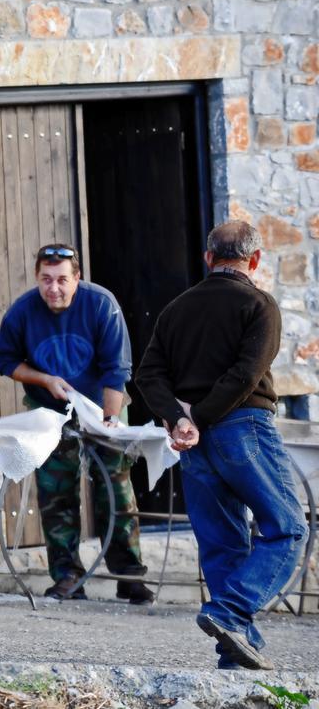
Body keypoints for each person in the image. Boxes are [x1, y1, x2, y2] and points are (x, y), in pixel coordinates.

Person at [136, 221, 307, 671]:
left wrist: (180, 419)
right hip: (243, 427)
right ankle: (229, 613)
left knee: (221, 544)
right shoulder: (260, 305)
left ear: (209, 259)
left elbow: (147, 376)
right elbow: (246, 375)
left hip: (196, 444)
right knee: (288, 528)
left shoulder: (176, 309)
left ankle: (235, 654)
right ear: (254, 261)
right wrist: (200, 418)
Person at [0, 243, 154, 604]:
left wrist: (110, 422)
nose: (54, 288)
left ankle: (129, 576)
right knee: (56, 493)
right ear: (37, 278)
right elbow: (4, 360)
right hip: (49, 410)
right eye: (46, 280)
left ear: (77, 278)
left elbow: (118, 372)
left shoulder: (101, 305)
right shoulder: (22, 311)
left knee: (115, 488)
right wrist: (45, 380)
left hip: (102, 404)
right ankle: (67, 576)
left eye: (62, 280)